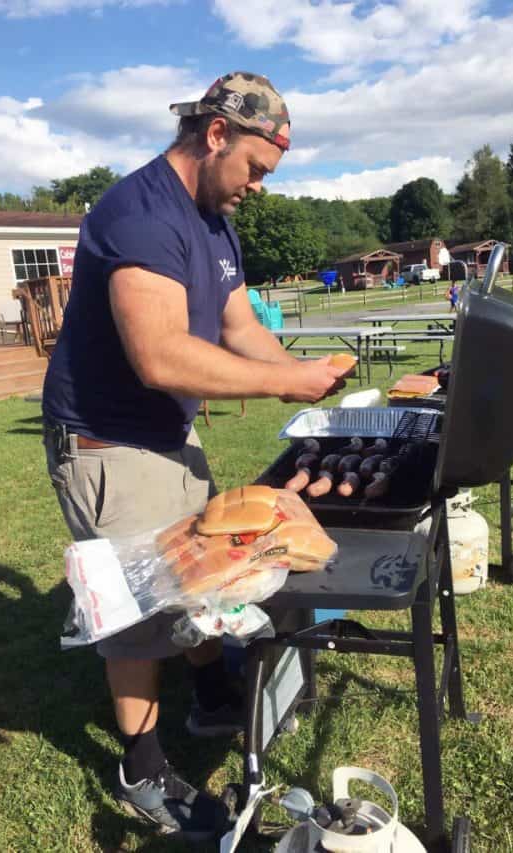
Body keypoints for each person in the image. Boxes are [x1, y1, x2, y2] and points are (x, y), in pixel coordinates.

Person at [42, 71, 346, 840]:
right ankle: (142, 767)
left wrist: (308, 385)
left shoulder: (215, 222)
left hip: (170, 433)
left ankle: (211, 698)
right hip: (110, 440)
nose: (256, 187)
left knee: (203, 565)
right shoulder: (138, 213)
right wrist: (285, 381)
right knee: (136, 610)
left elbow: (239, 325)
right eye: (254, 168)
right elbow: (161, 356)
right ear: (215, 135)